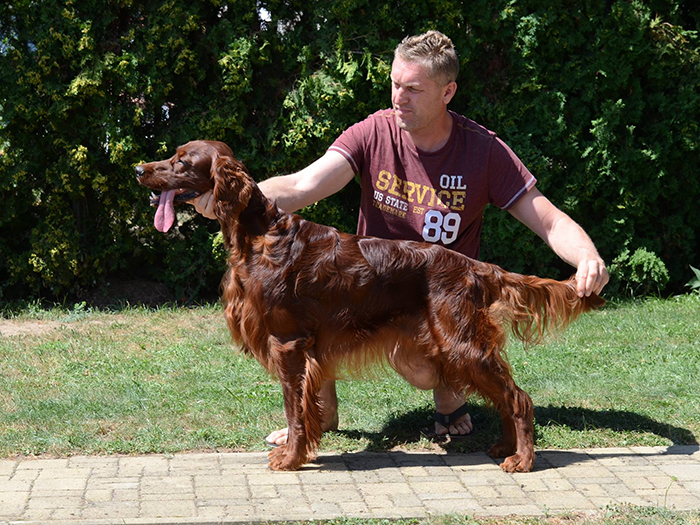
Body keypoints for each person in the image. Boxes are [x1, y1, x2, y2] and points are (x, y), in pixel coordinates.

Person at [192, 30, 609, 447]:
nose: (398, 97)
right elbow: (304, 184)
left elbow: (550, 221)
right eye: (395, 83)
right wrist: (238, 198)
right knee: (312, 301)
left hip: (439, 292)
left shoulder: (483, 150)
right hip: (373, 286)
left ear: (447, 92)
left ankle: (450, 401)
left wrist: (587, 257)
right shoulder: (374, 132)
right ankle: (320, 416)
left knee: (431, 369)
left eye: (413, 88)